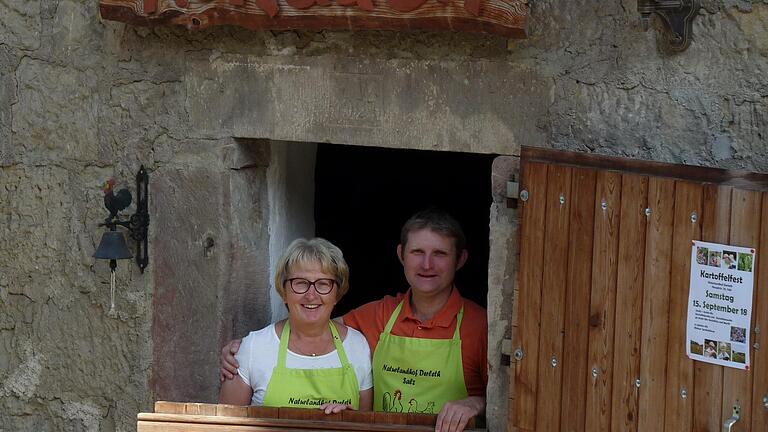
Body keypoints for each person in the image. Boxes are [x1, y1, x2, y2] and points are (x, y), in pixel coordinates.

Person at [222, 209, 487, 432]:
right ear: (401, 255)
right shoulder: (378, 315)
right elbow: (314, 321)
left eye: (439, 254)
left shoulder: (481, 326)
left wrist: (476, 403)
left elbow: (515, 397)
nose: (427, 264)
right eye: (417, 252)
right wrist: (245, 347)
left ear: (460, 259)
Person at [219, 238, 373, 413]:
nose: (311, 295)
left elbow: (367, 424)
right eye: (301, 283)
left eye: (323, 284)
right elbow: (225, 425)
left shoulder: (358, 346)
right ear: (284, 292)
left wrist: (349, 420)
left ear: (337, 294)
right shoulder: (253, 348)